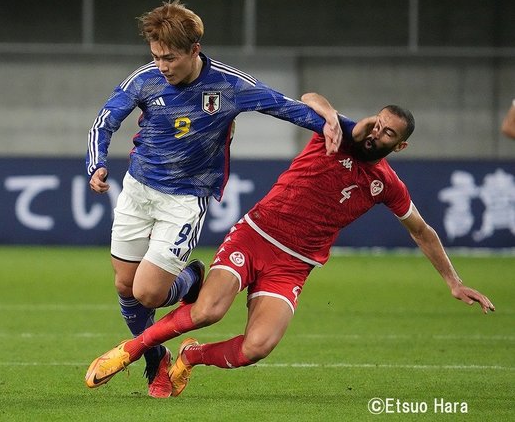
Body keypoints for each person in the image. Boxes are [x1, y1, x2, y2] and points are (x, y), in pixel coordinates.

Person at [84, 93, 496, 397]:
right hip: (256, 235)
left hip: (294, 265)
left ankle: (190, 357)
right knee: (209, 310)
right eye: (377, 123)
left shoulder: (386, 184)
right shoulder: (335, 135)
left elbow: (422, 230)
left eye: (389, 132)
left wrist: (454, 282)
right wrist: (333, 115)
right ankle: (131, 350)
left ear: (399, 145)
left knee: (257, 347)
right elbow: (310, 98)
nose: (377, 133)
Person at [85, 0, 349, 398]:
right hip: (138, 190)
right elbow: (106, 119)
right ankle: (156, 361)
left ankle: (190, 277)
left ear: (194, 50)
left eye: (169, 58)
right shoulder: (144, 79)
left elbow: (285, 107)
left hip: (185, 200)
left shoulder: (228, 84)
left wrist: (339, 128)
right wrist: (97, 164)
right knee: (125, 287)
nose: (161, 66)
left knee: (148, 294)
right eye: (155, 56)